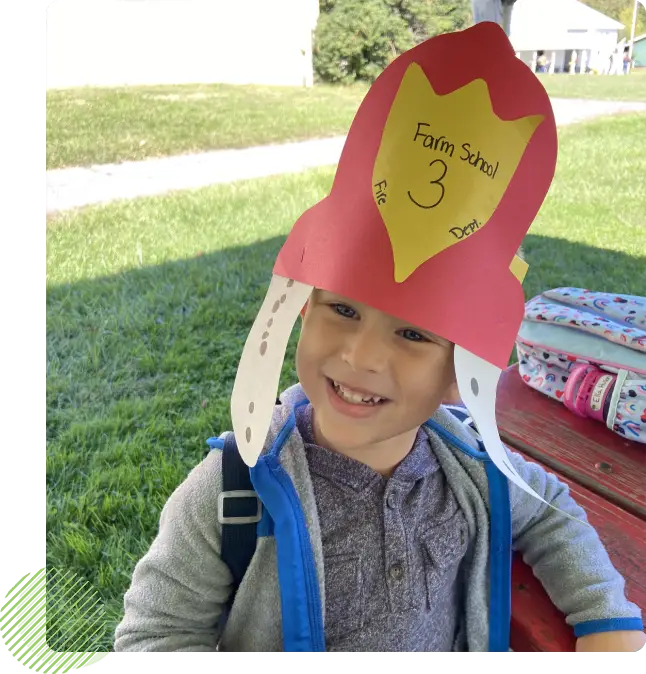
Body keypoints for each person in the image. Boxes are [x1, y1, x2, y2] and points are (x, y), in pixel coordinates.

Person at [112, 23, 646, 655]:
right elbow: (154, 635)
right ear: (304, 310)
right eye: (342, 309)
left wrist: (605, 618)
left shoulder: (471, 473)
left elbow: (551, 508)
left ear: (461, 374)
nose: (361, 356)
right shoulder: (232, 490)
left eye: (414, 333)